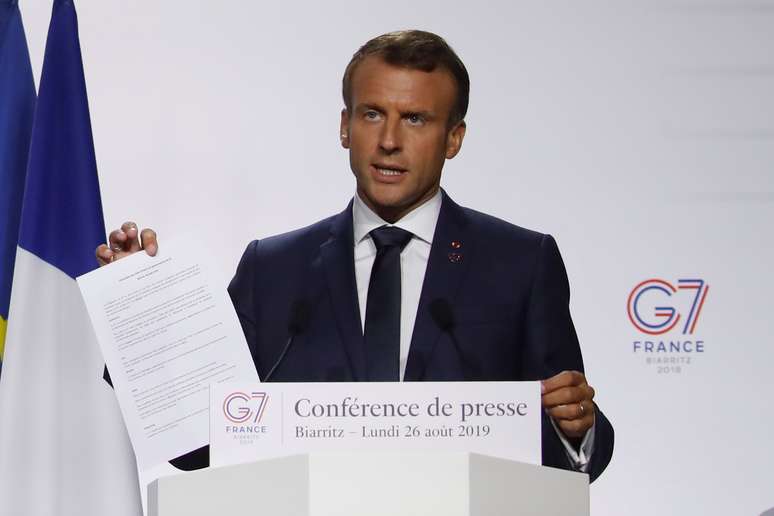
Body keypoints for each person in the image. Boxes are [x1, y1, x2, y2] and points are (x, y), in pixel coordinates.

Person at [97, 30, 613, 481]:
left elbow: (569, 438)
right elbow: (204, 445)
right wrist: (140, 316)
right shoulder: (272, 269)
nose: (389, 141)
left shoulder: (520, 264)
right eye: (372, 114)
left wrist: (578, 428)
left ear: (453, 138)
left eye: (415, 119)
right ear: (345, 127)